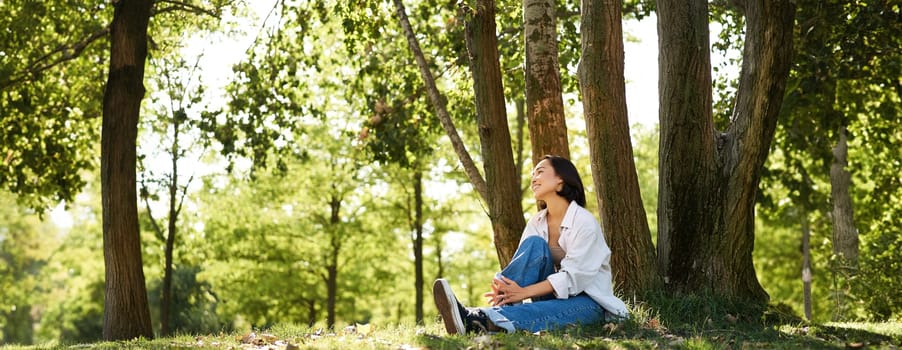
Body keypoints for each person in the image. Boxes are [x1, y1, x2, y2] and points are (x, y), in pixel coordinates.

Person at [433, 155, 628, 334]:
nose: (533, 178)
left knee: (541, 309)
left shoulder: (584, 222)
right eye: (533, 173)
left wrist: (524, 292)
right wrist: (505, 287)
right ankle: (498, 308)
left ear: (561, 179)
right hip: (551, 298)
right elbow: (525, 261)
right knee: (534, 244)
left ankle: (478, 320)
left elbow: (572, 279)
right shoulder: (537, 221)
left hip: (588, 303)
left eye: (540, 172)